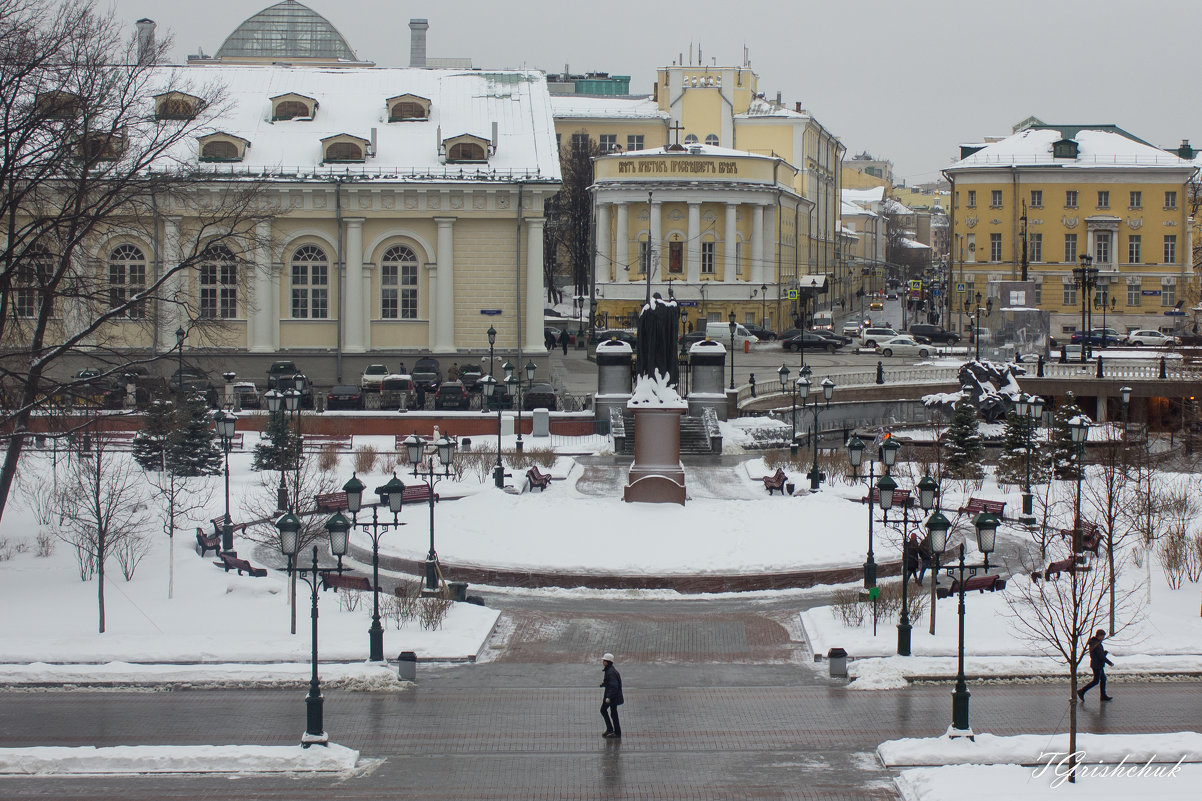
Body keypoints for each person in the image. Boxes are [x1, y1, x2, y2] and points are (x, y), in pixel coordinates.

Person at [1078, 629, 1114, 701]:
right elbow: (1100, 656)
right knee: (1096, 681)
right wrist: (1109, 662)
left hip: (1097, 664)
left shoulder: (1095, 643)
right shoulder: (1096, 644)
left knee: (1103, 679)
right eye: (1103, 636)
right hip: (1097, 665)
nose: (1103, 638)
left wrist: (1104, 653)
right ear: (1099, 636)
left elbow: (1098, 655)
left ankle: (1103, 696)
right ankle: (1081, 691)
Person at [600, 652, 623, 738]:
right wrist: (604, 684)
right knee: (610, 712)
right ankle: (612, 730)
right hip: (612, 696)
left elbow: (614, 686)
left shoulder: (610, 672)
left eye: (604, 660)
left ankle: (616, 732)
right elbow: (610, 683)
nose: (603, 662)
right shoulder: (609, 670)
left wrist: (608, 697)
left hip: (612, 697)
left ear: (607, 662)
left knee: (608, 712)